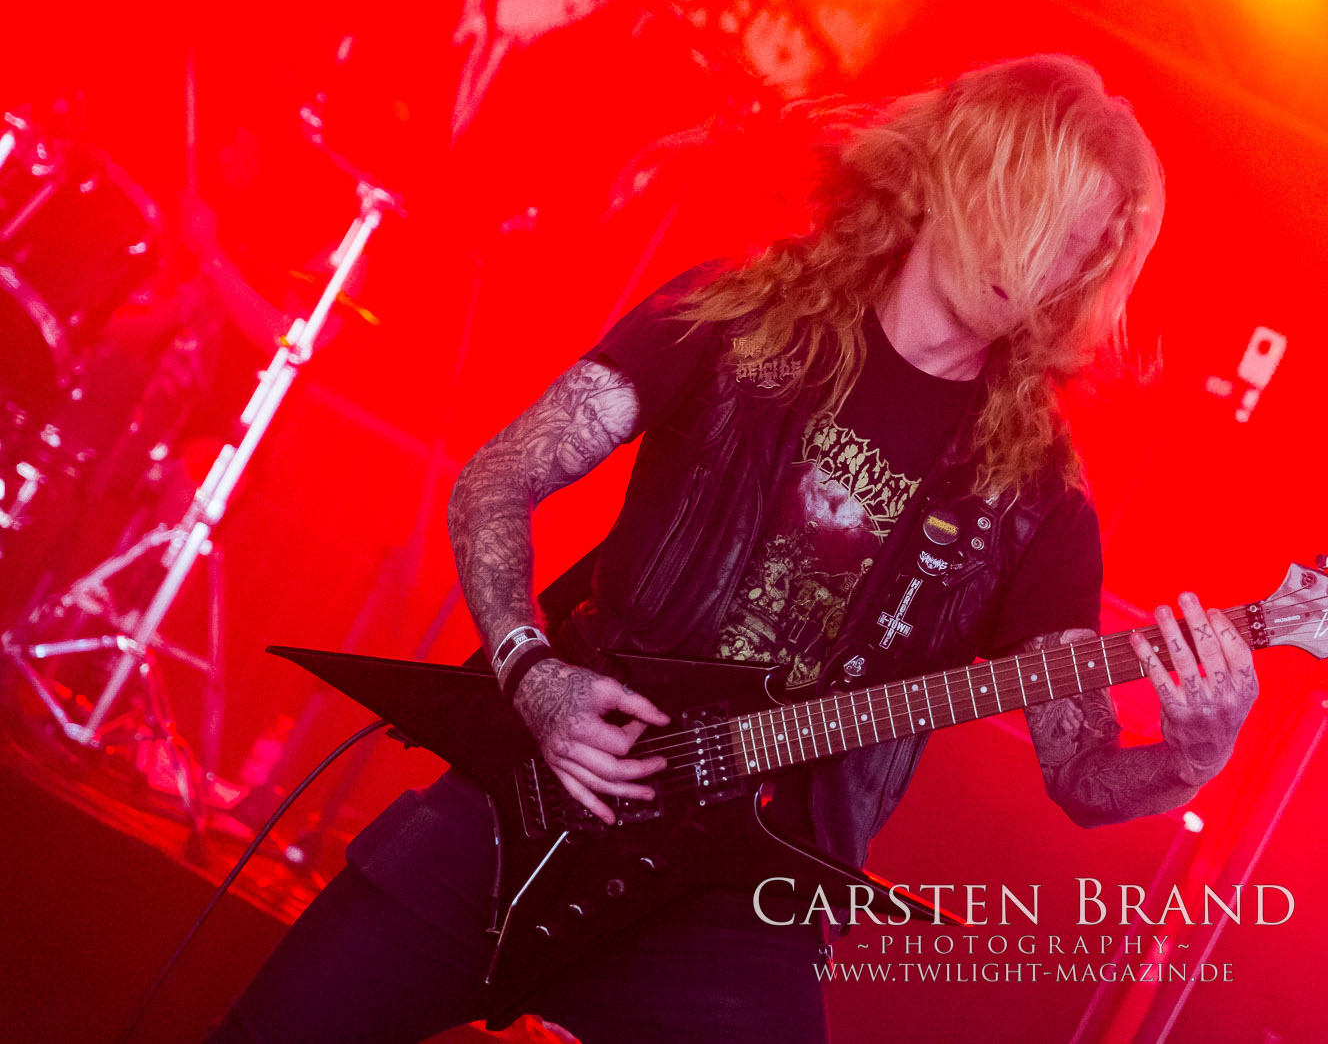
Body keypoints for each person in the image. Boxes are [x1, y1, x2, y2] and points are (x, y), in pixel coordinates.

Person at [211, 54, 1261, 1044]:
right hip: (540, 788)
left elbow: (1080, 773)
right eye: (1036, 215)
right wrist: (533, 675)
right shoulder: (734, 317)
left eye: (1080, 246)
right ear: (957, 173)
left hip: (745, 897)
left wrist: (1190, 755)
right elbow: (498, 477)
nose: (1044, 263)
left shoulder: (1038, 500)